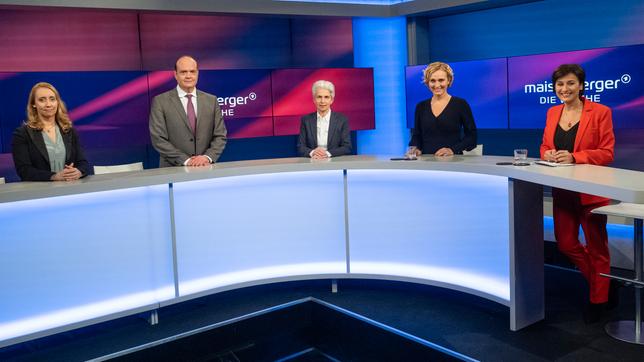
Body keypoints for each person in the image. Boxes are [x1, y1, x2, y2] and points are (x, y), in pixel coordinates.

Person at [540, 64, 616, 323]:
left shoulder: (600, 112)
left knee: (597, 248)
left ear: (581, 85)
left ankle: (599, 298)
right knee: (566, 244)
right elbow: (544, 145)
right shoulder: (552, 112)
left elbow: (607, 152)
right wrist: (547, 153)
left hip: (591, 191)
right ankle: (603, 282)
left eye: (570, 83)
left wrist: (575, 157)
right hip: (563, 191)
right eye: (560, 84)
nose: (565, 89)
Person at [149, 55, 227, 167]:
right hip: (173, 169)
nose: (188, 76)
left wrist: (206, 157)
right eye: (183, 72)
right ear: (175, 74)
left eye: (192, 71)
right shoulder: (160, 101)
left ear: (197, 73)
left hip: (205, 168)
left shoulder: (212, 100)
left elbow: (220, 135)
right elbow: (158, 139)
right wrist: (186, 160)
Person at [12, 82, 89, 181]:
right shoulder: (23, 133)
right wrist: (53, 176)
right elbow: (24, 170)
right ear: (33, 104)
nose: (48, 104)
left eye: (52, 99)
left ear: (57, 102)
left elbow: (83, 162)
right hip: (40, 192)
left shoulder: (69, 130)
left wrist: (78, 172)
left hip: (70, 189)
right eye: (41, 100)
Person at [408, 62, 477, 157]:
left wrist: (452, 150)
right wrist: (415, 148)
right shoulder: (420, 106)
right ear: (427, 82)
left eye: (441, 80)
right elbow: (417, 135)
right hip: (427, 163)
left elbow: (471, 137)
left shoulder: (460, 104)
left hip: (453, 162)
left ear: (448, 80)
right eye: (433, 81)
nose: (437, 85)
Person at [297, 80, 352, 159]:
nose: (322, 101)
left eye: (326, 97)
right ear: (314, 99)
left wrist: (327, 153)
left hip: (334, 163)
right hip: (313, 162)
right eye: (319, 97)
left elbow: (347, 147)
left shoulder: (342, 120)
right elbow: (300, 147)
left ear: (331, 100)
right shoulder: (306, 120)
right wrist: (313, 152)